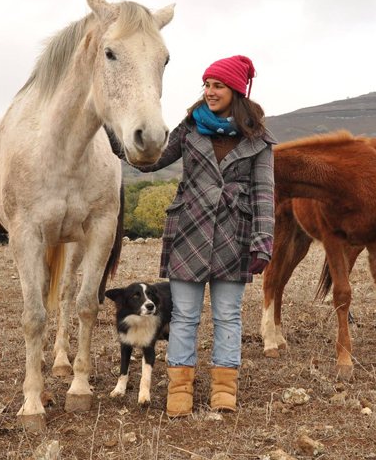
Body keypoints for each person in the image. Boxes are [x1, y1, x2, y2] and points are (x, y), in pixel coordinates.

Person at [118, 55, 276, 417]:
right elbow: (153, 159)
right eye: (206, 85)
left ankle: (224, 390)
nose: (209, 92)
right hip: (189, 231)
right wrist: (121, 139)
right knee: (185, 316)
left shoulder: (259, 139)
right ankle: (179, 390)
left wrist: (263, 242)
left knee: (228, 316)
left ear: (235, 90)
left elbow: (264, 194)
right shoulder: (189, 127)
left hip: (234, 235)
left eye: (218, 86)